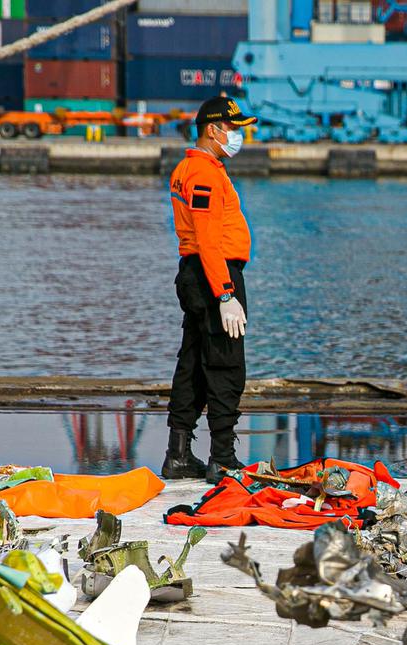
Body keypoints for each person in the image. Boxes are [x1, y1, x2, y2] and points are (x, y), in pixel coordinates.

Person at [161, 96, 257, 483]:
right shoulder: (203, 174)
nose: (237, 136)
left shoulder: (193, 168)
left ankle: (179, 455)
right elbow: (207, 239)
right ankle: (223, 459)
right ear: (213, 130)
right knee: (225, 364)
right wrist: (225, 295)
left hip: (198, 274)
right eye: (233, 129)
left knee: (194, 365)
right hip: (213, 275)